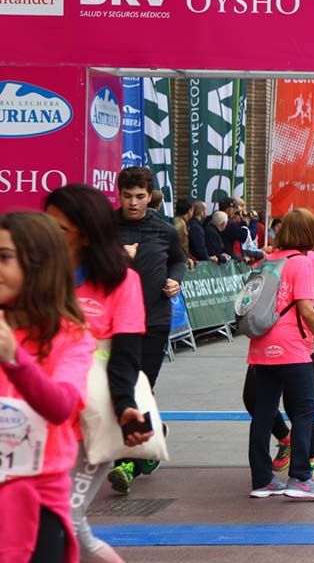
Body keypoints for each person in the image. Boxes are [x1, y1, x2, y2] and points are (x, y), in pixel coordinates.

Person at [45, 185, 152, 563]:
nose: (47, 236)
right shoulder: (35, 276)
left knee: (68, 521)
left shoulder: (122, 281)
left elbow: (125, 356)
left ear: (86, 233)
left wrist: (124, 407)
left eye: (59, 229)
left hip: (95, 417)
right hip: (37, 419)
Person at [0, 212, 95, 562]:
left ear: (39, 264)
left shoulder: (70, 337)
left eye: (5, 257)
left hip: (36, 504)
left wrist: (14, 359)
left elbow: (61, 405)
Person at [246, 209, 314, 500]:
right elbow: (306, 308)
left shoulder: (267, 260)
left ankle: (262, 480)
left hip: (260, 346)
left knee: (263, 412)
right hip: (292, 347)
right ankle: (301, 478)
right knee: (304, 408)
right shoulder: (302, 263)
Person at [110, 166, 184, 495]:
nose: (133, 203)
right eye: (127, 197)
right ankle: (153, 434)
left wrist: (175, 280)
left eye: (140, 197)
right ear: (119, 195)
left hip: (154, 320)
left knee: (142, 386)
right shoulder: (106, 229)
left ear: (149, 196)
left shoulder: (163, 230)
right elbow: (88, 266)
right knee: (122, 389)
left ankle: (127, 462)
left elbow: (179, 260)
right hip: (115, 322)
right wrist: (116, 257)